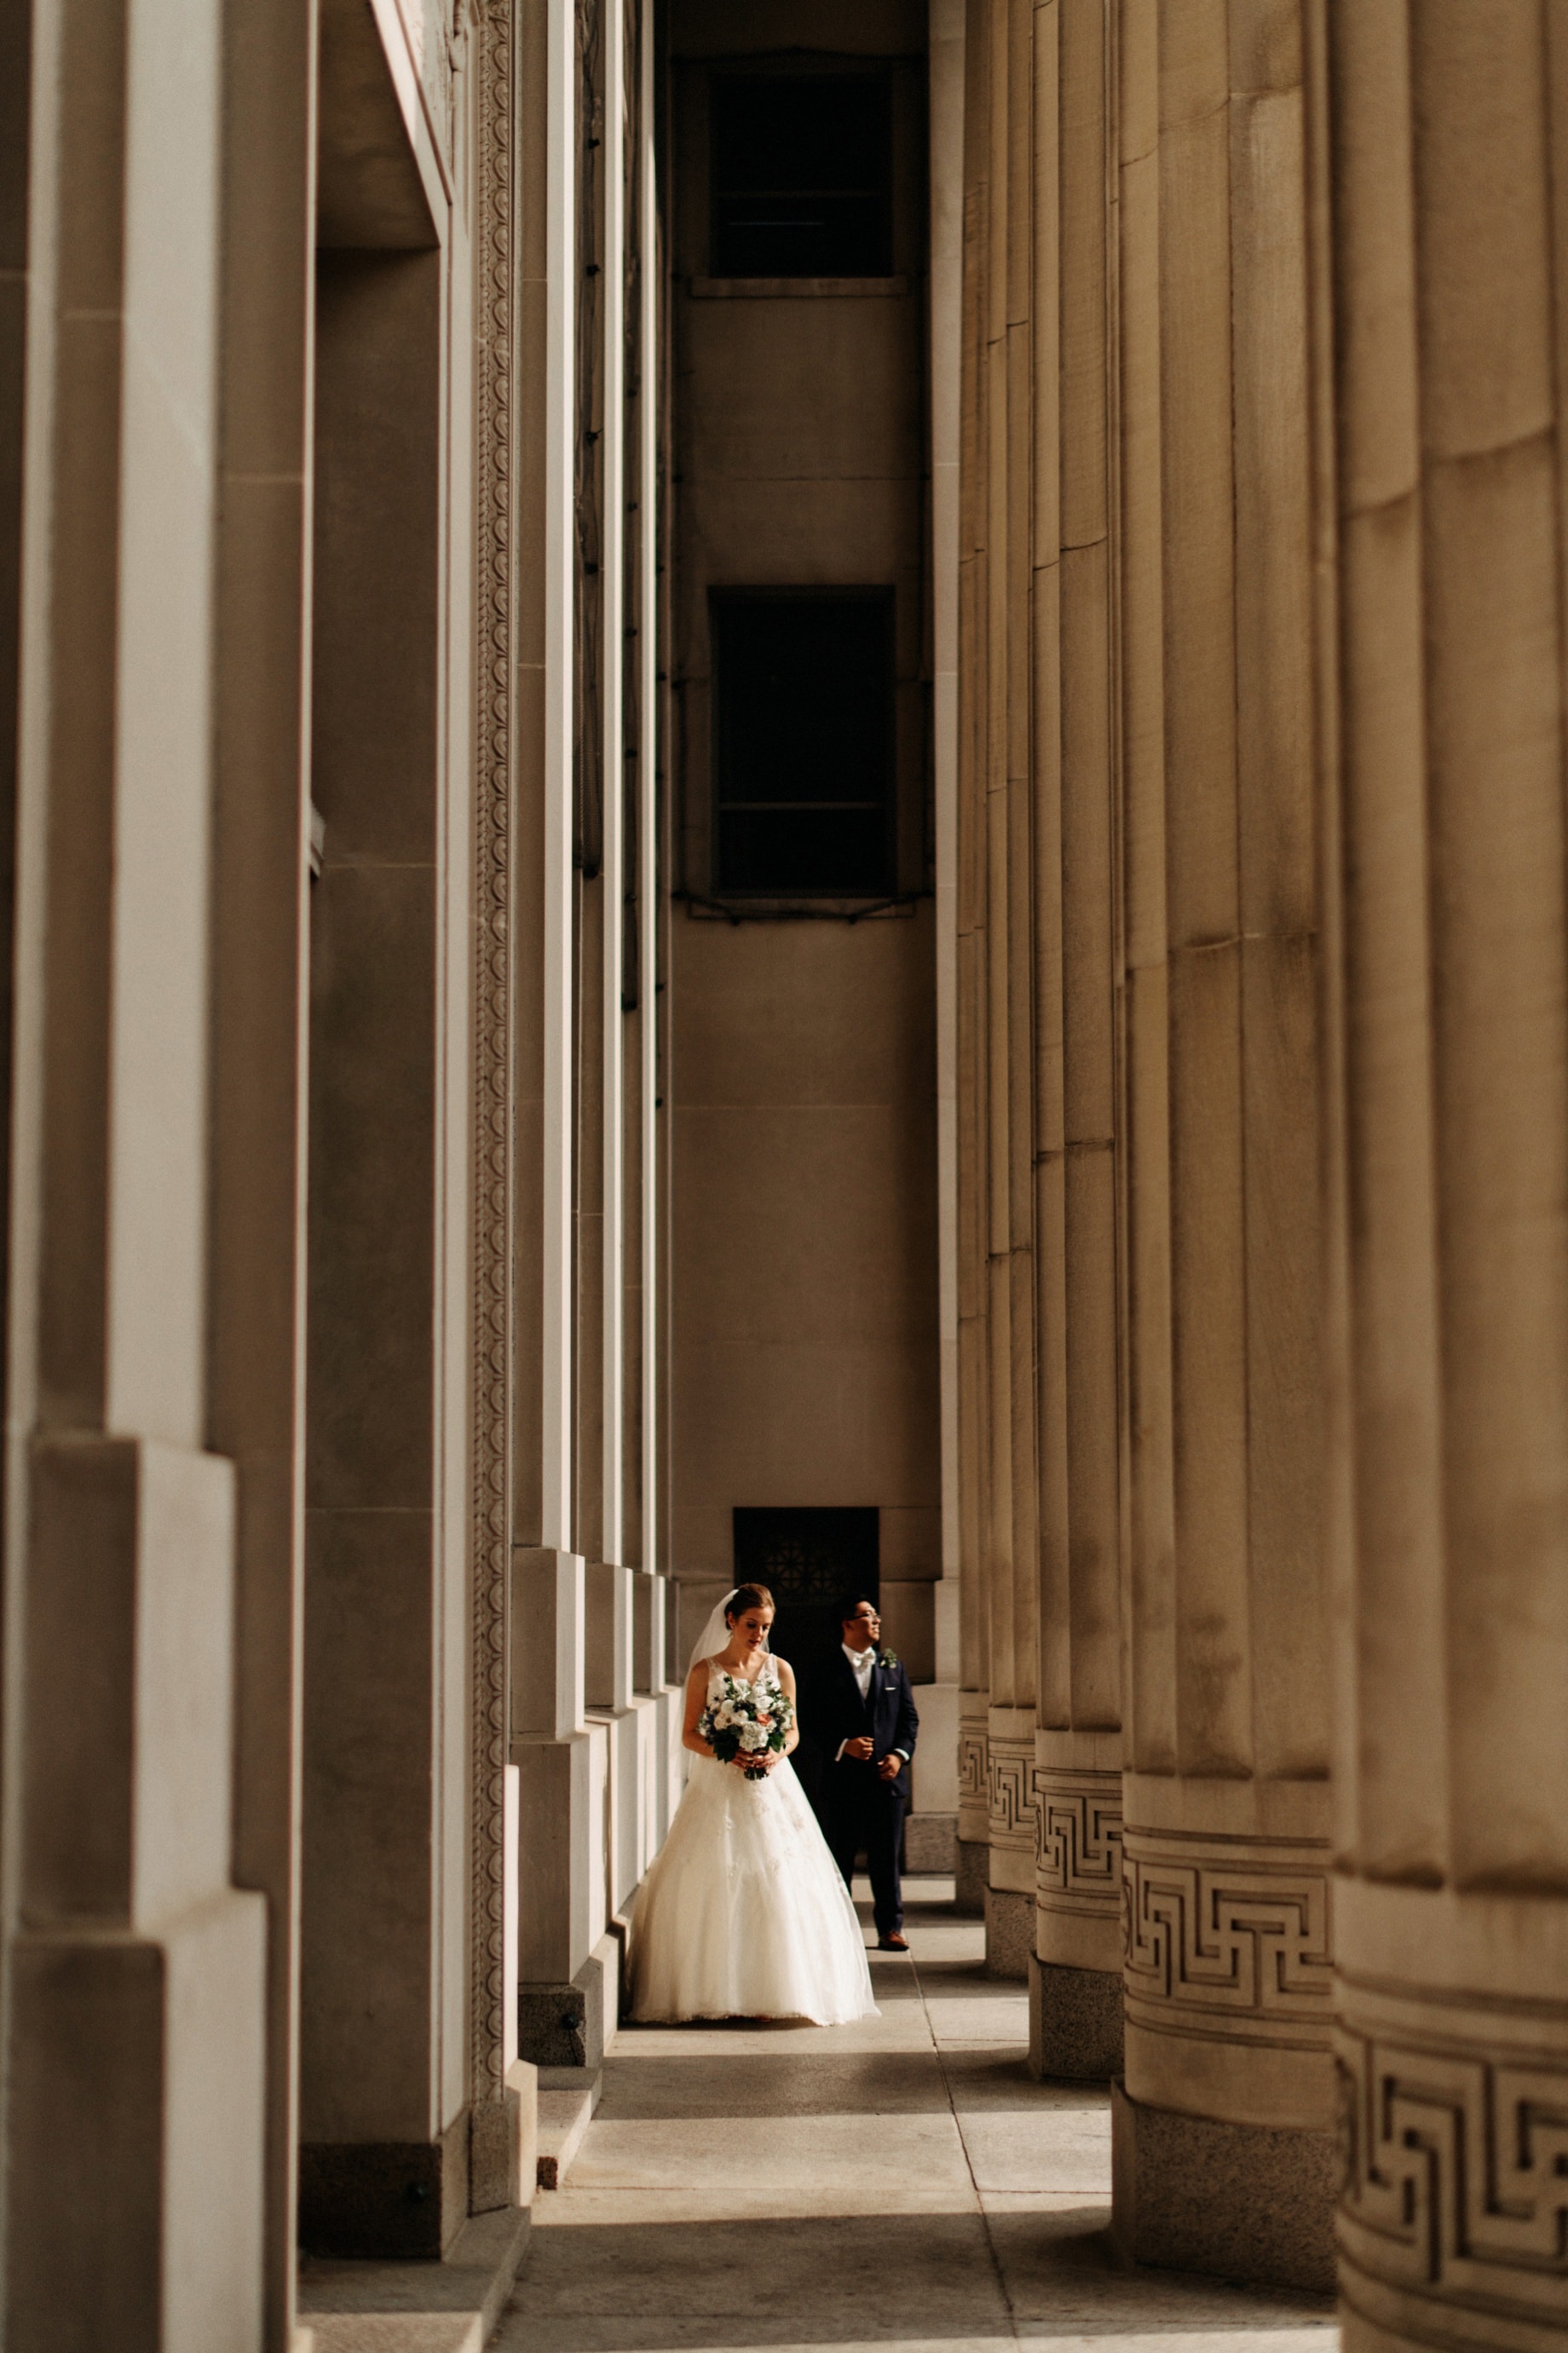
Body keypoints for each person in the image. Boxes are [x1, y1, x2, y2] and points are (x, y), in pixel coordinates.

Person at [627, 1583, 878, 2024]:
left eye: (765, 1627)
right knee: (718, 1878)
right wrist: (728, 1750)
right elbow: (689, 1734)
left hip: (772, 1786)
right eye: (751, 1625)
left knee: (777, 1879)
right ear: (730, 1620)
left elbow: (795, 1730)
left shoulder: (780, 1669)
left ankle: (774, 1991)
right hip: (719, 1788)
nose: (759, 1634)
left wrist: (775, 1751)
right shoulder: (706, 1671)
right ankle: (714, 1991)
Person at [820, 1596, 919, 1951]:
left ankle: (890, 1928)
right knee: (840, 1855)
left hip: (886, 1782)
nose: (876, 1620)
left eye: (876, 1614)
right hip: (842, 1782)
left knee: (886, 1858)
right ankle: (838, 1930)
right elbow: (811, 1724)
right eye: (867, 1615)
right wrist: (843, 1745)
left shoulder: (894, 1666)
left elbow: (909, 1720)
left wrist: (899, 1755)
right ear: (848, 1624)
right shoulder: (824, 1668)